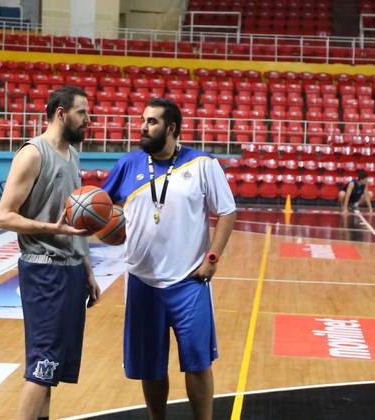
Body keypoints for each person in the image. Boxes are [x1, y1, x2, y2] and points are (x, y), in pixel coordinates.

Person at [101, 98, 237, 420]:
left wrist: (212, 257)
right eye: (143, 120)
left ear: (171, 128)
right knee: (150, 366)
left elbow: (227, 211)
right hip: (142, 280)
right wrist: (102, 226)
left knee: (198, 363)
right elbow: (100, 207)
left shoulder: (202, 164)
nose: (143, 127)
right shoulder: (128, 164)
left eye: (152, 122)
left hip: (189, 280)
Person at [0, 85, 101, 420]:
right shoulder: (33, 154)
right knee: (42, 366)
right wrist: (53, 229)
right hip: (44, 269)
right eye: (82, 112)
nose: (88, 119)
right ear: (61, 113)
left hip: (71, 269)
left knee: (50, 369)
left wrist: (87, 269)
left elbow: (74, 223)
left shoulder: (73, 154)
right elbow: (3, 216)